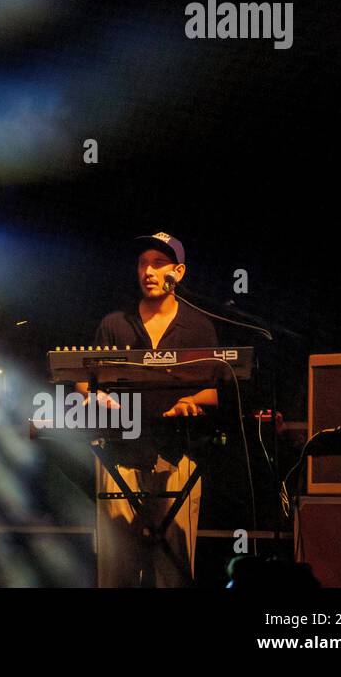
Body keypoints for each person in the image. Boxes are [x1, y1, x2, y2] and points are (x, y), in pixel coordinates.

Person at [87, 232, 217, 587]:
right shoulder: (115, 324)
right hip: (119, 453)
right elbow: (83, 379)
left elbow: (214, 392)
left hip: (178, 453)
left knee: (172, 566)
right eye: (143, 263)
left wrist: (191, 402)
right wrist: (93, 397)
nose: (148, 270)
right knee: (116, 567)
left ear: (179, 271)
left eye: (158, 264)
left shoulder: (198, 326)